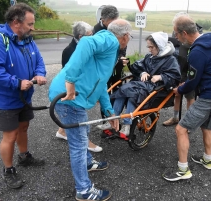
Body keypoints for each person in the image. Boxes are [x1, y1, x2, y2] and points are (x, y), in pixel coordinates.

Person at [48, 19, 132, 201]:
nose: (129, 40)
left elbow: (101, 83)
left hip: (70, 96)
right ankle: (84, 191)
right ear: (125, 36)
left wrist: (110, 112)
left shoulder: (107, 45)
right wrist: (70, 81)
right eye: (129, 37)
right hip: (69, 97)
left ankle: (86, 163)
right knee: (78, 143)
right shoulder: (110, 41)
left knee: (82, 132)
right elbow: (85, 41)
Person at [0, 3, 46, 189]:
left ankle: (24, 156)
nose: (32, 28)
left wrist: (39, 73)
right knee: (10, 135)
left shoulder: (27, 39)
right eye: (30, 24)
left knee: (24, 127)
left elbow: (39, 61)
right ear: (16, 23)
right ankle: (8, 170)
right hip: (5, 100)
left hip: (24, 97)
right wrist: (17, 82)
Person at [162, 14, 211, 181]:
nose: (175, 37)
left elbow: (192, 82)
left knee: (181, 129)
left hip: (208, 96)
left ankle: (183, 171)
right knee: (207, 127)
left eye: (176, 33)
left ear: (184, 33)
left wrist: (179, 89)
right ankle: (208, 160)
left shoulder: (198, 51)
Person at [97, 32, 181, 136]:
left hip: (157, 89)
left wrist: (161, 77)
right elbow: (138, 65)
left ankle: (127, 126)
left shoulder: (170, 60)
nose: (149, 50)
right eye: (148, 47)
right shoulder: (150, 56)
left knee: (134, 94)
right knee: (122, 91)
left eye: (151, 47)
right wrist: (143, 72)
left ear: (159, 46)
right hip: (144, 85)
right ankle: (113, 120)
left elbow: (175, 76)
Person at [55, 21, 103, 153]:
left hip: (79, 88)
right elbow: (68, 74)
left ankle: (62, 131)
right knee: (78, 118)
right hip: (73, 90)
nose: (93, 37)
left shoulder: (83, 47)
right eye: (90, 34)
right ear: (81, 37)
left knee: (74, 115)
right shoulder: (70, 51)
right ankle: (85, 143)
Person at [163, 16, 203, 126]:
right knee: (177, 95)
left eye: (177, 33)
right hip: (179, 72)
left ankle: (189, 123)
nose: (176, 36)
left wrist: (185, 79)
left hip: (189, 74)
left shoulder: (193, 44)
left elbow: (191, 64)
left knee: (190, 97)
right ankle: (175, 118)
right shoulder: (181, 41)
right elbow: (179, 59)